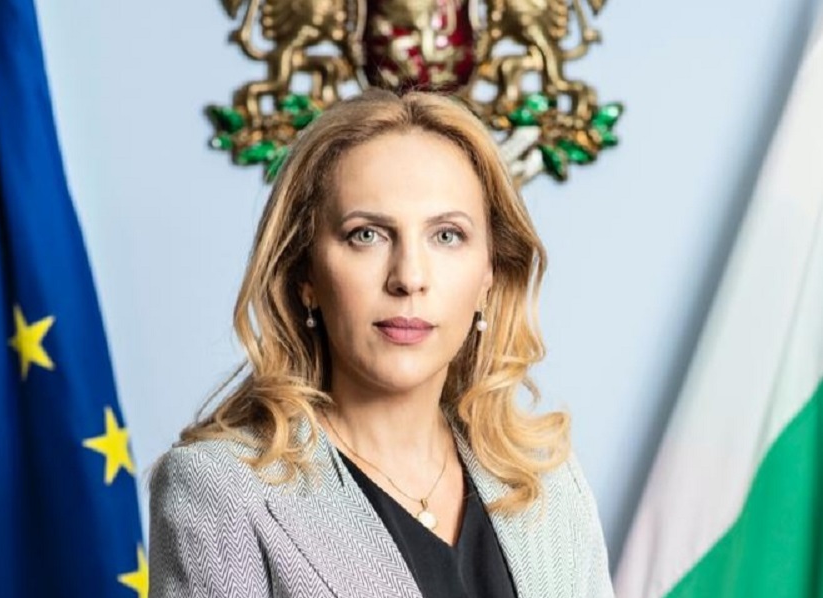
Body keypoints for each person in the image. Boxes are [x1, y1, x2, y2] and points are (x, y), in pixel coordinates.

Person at [148, 88, 615, 598]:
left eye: (447, 235)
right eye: (366, 235)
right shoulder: (221, 490)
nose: (409, 277)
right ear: (305, 273)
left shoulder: (547, 482)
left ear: (490, 273)